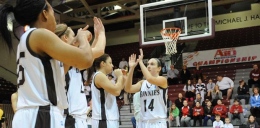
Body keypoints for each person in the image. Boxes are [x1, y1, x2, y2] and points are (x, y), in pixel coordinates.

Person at [0, 1, 97, 127]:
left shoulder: (29, 38)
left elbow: (60, 73)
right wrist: (83, 38)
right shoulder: (39, 34)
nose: (55, 16)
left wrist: (75, 42)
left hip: (34, 115)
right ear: (44, 14)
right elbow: (87, 59)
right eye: (52, 10)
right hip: (41, 115)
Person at [55, 22, 105, 128]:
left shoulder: (71, 60)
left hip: (77, 118)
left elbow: (90, 57)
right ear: (65, 37)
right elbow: (99, 51)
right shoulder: (62, 59)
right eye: (73, 36)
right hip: (70, 119)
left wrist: (95, 38)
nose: (76, 38)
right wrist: (101, 33)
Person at [124, 49, 168, 128]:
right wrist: (132, 68)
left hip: (157, 122)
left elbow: (150, 79)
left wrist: (140, 61)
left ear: (159, 68)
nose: (148, 66)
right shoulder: (142, 83)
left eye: (152, 64)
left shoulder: (163, 80)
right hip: (143, 122)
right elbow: (128, 89)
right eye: (147, 64)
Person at [91, 54, 124, 128]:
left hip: (109, 118)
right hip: (103, 119)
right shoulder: (99, 75)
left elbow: (120, 88)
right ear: (103, 63)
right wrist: (120, 76)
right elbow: (117, 92)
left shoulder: (104, 77)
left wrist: (123, 77)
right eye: (110, 63)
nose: (112, 65)